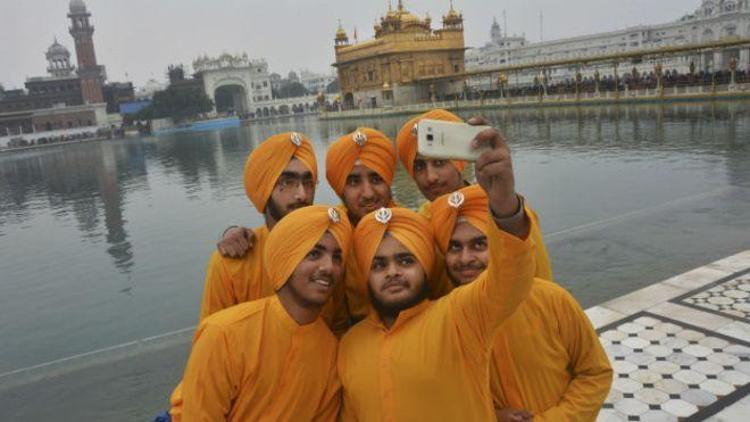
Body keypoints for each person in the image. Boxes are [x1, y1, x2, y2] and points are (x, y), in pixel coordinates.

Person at [338, 123, 537, 420]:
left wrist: (504, 204)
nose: (392, 272)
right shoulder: (350, 345)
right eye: (378, 264)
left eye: (406, 261)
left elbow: (508, 279)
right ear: (362, 273)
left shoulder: (458, 317)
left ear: (428, 265)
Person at [431, 185, 613, 422]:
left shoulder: (552, 300)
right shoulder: (441, 321)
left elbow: (595, 372)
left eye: (479, 244)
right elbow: (441, 400)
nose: (465, 259)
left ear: (499, 245)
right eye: (455, 247)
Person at [170, 205, 352, 421]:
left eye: (337, 257)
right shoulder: (224, 335)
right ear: (285, 260)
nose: (328, 267)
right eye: (314, 254)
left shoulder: (331, 357)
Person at [197, 132, 345, 331]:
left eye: (308, 183)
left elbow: (339, 327)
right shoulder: (231, 264)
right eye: (287, 182)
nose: (301, 194)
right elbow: (211, 338)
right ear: (264, 188)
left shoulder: (331, 253)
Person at [395, 108, 468, 219]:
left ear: (458, 162)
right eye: (419, 167)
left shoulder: (496, 210)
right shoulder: (421, 226)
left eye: (439, 162)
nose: (431, 177)